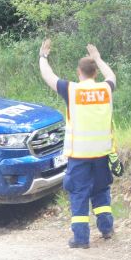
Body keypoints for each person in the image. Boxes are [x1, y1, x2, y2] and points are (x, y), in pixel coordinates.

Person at [38, 38, 116, 249]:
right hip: (101, 154)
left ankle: (81, 239)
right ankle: (107, 229)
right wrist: (99, 58)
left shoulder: (72, 90)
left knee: (79, 193)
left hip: (79, 156)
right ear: (95, 73)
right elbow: (111, 76)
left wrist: (43, 56)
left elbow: (48, 76)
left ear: (78, 72)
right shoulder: (105, 89)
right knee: (101, 191)